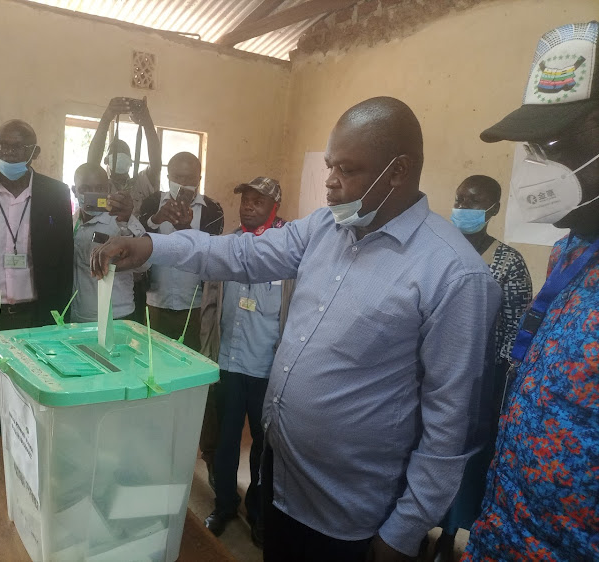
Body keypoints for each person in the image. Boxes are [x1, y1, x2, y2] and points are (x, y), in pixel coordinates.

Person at [91, 97, 502, 561]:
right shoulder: (325, 229)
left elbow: (450, 426)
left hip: (354, 518)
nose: (329, 181)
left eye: (346, 169)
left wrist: (404, 532)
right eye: (329, 166)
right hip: (282, 484)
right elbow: (239, 255)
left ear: (398, 171)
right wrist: (150, 246)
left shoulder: (453, 275)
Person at [463, 21, 599, 561]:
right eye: (537, 145)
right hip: (504, 529)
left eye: (561, 140)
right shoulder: (573, 248)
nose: (542, 162)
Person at [433, 175, 532, 561]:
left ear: (493, 209)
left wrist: (495, 388)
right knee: (426, 448)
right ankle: (413, 523)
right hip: (433, 372)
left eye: (473, 202)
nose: (462, 208)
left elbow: (515, 330)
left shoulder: (508, 262)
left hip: (478, 382)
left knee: (467, 459)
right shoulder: (440, 249)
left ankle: (450, 531)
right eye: (459, 199)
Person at [0, 119, 73, 439]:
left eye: (17, 147)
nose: (7, 153)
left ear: (34, 152)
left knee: (35, 400)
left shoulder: (56, 193)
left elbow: (64, 264)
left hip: (37, 316)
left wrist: (59, 324)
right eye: (1, 145)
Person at [199, 177, 293, 548]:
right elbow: (210, 305)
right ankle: (224, 505)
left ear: (275, 205)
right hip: (228, 362)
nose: (249, 206)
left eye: (258, 200)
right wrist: (207, 353)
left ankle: (259, 513)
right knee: (224, 441)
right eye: (245, 200)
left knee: (264, 447)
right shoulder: (228, 246)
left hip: (269, 369)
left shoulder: (289, 251)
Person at [138, 151, 224, 486]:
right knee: (155, 378)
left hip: (195, 308)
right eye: (177, 176)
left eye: (190, 178)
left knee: (200, 384)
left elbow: (215, 254)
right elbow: (139, 239)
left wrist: (189, 227)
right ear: (166, 174)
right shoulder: (150, 202)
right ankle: (153, 451)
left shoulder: (213, 208)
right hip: (155, 304)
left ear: (199, 178)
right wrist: (156, 219)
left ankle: (210, 457)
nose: (183, 184)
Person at [71, 163, 147, 322]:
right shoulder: (70, 222)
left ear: (108, 190)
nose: (93, 194)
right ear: (74, 191)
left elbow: (144, 265)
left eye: (99, 188)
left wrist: (126, 223)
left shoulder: (122, 220)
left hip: (117, 316)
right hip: (79, 316)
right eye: (85, 188)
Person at [87, 96, 161, 216]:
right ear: (106, 161)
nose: (119, 156)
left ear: (131, 162)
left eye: (124, 154)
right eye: (115, 153)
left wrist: (147, 122)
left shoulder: (141, 183)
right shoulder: (102, 186)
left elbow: (156, 162)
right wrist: (106, 118)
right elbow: (91, 166)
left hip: (135, 233)